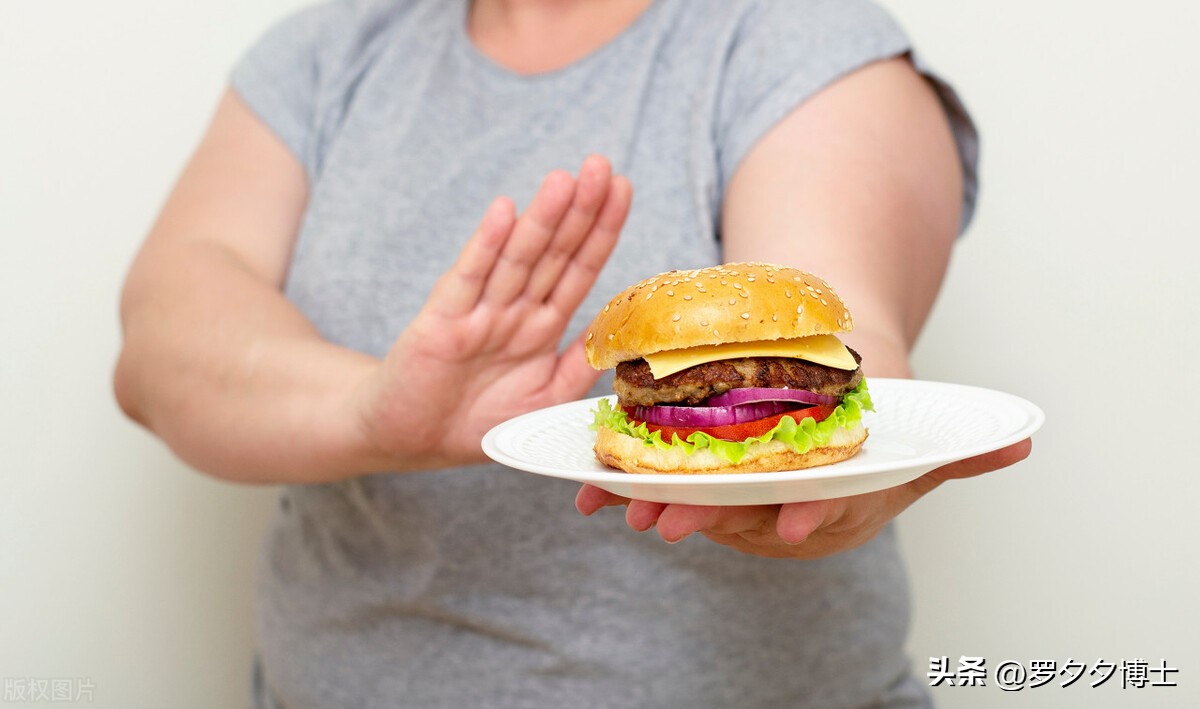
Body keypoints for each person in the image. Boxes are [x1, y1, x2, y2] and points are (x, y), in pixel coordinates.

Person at [114, 0, 1031, 706]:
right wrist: (374, 411)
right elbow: (163, 344)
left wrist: (842, 476)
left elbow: (841, 312)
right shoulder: (330, 50)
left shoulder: (797, 37)